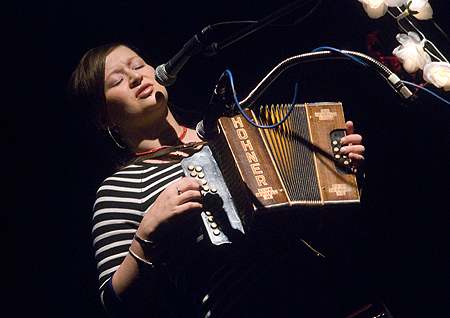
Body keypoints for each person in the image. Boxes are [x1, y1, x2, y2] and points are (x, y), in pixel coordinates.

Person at [69, 43, 366, 318]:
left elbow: (317, 218)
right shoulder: (120, 188)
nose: (135, 77)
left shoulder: (233, 131)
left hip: (329, 292)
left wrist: (340, 170)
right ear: (104, 119)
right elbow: (116, 303)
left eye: (138, 65)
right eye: (117, 80)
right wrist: (148, 232)